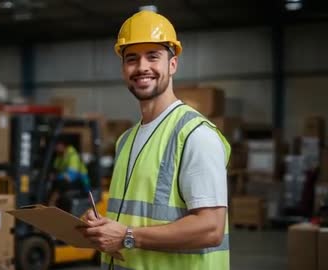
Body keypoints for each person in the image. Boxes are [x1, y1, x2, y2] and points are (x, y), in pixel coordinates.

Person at [78, 9, 231, 270]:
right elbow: (136, 216)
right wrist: (102, 225)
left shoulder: (195, 135)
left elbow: (210, 229)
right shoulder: (126, 140)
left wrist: (127, 235)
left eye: (153, 56)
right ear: (123, 69)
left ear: (172, 64)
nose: (142, 68)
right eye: (132, 59)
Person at [48, 137, 91, 211]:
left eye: (57, 145)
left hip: (81, 181)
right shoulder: (60, 156)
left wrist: (57, 176)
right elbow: (55, 168)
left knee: (61, 184)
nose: (55, 148)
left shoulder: (72, 155)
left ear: (63, 145)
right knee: (53, 183)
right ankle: (52, 204)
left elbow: (71, 175)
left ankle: (52, 204)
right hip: (69, 180)